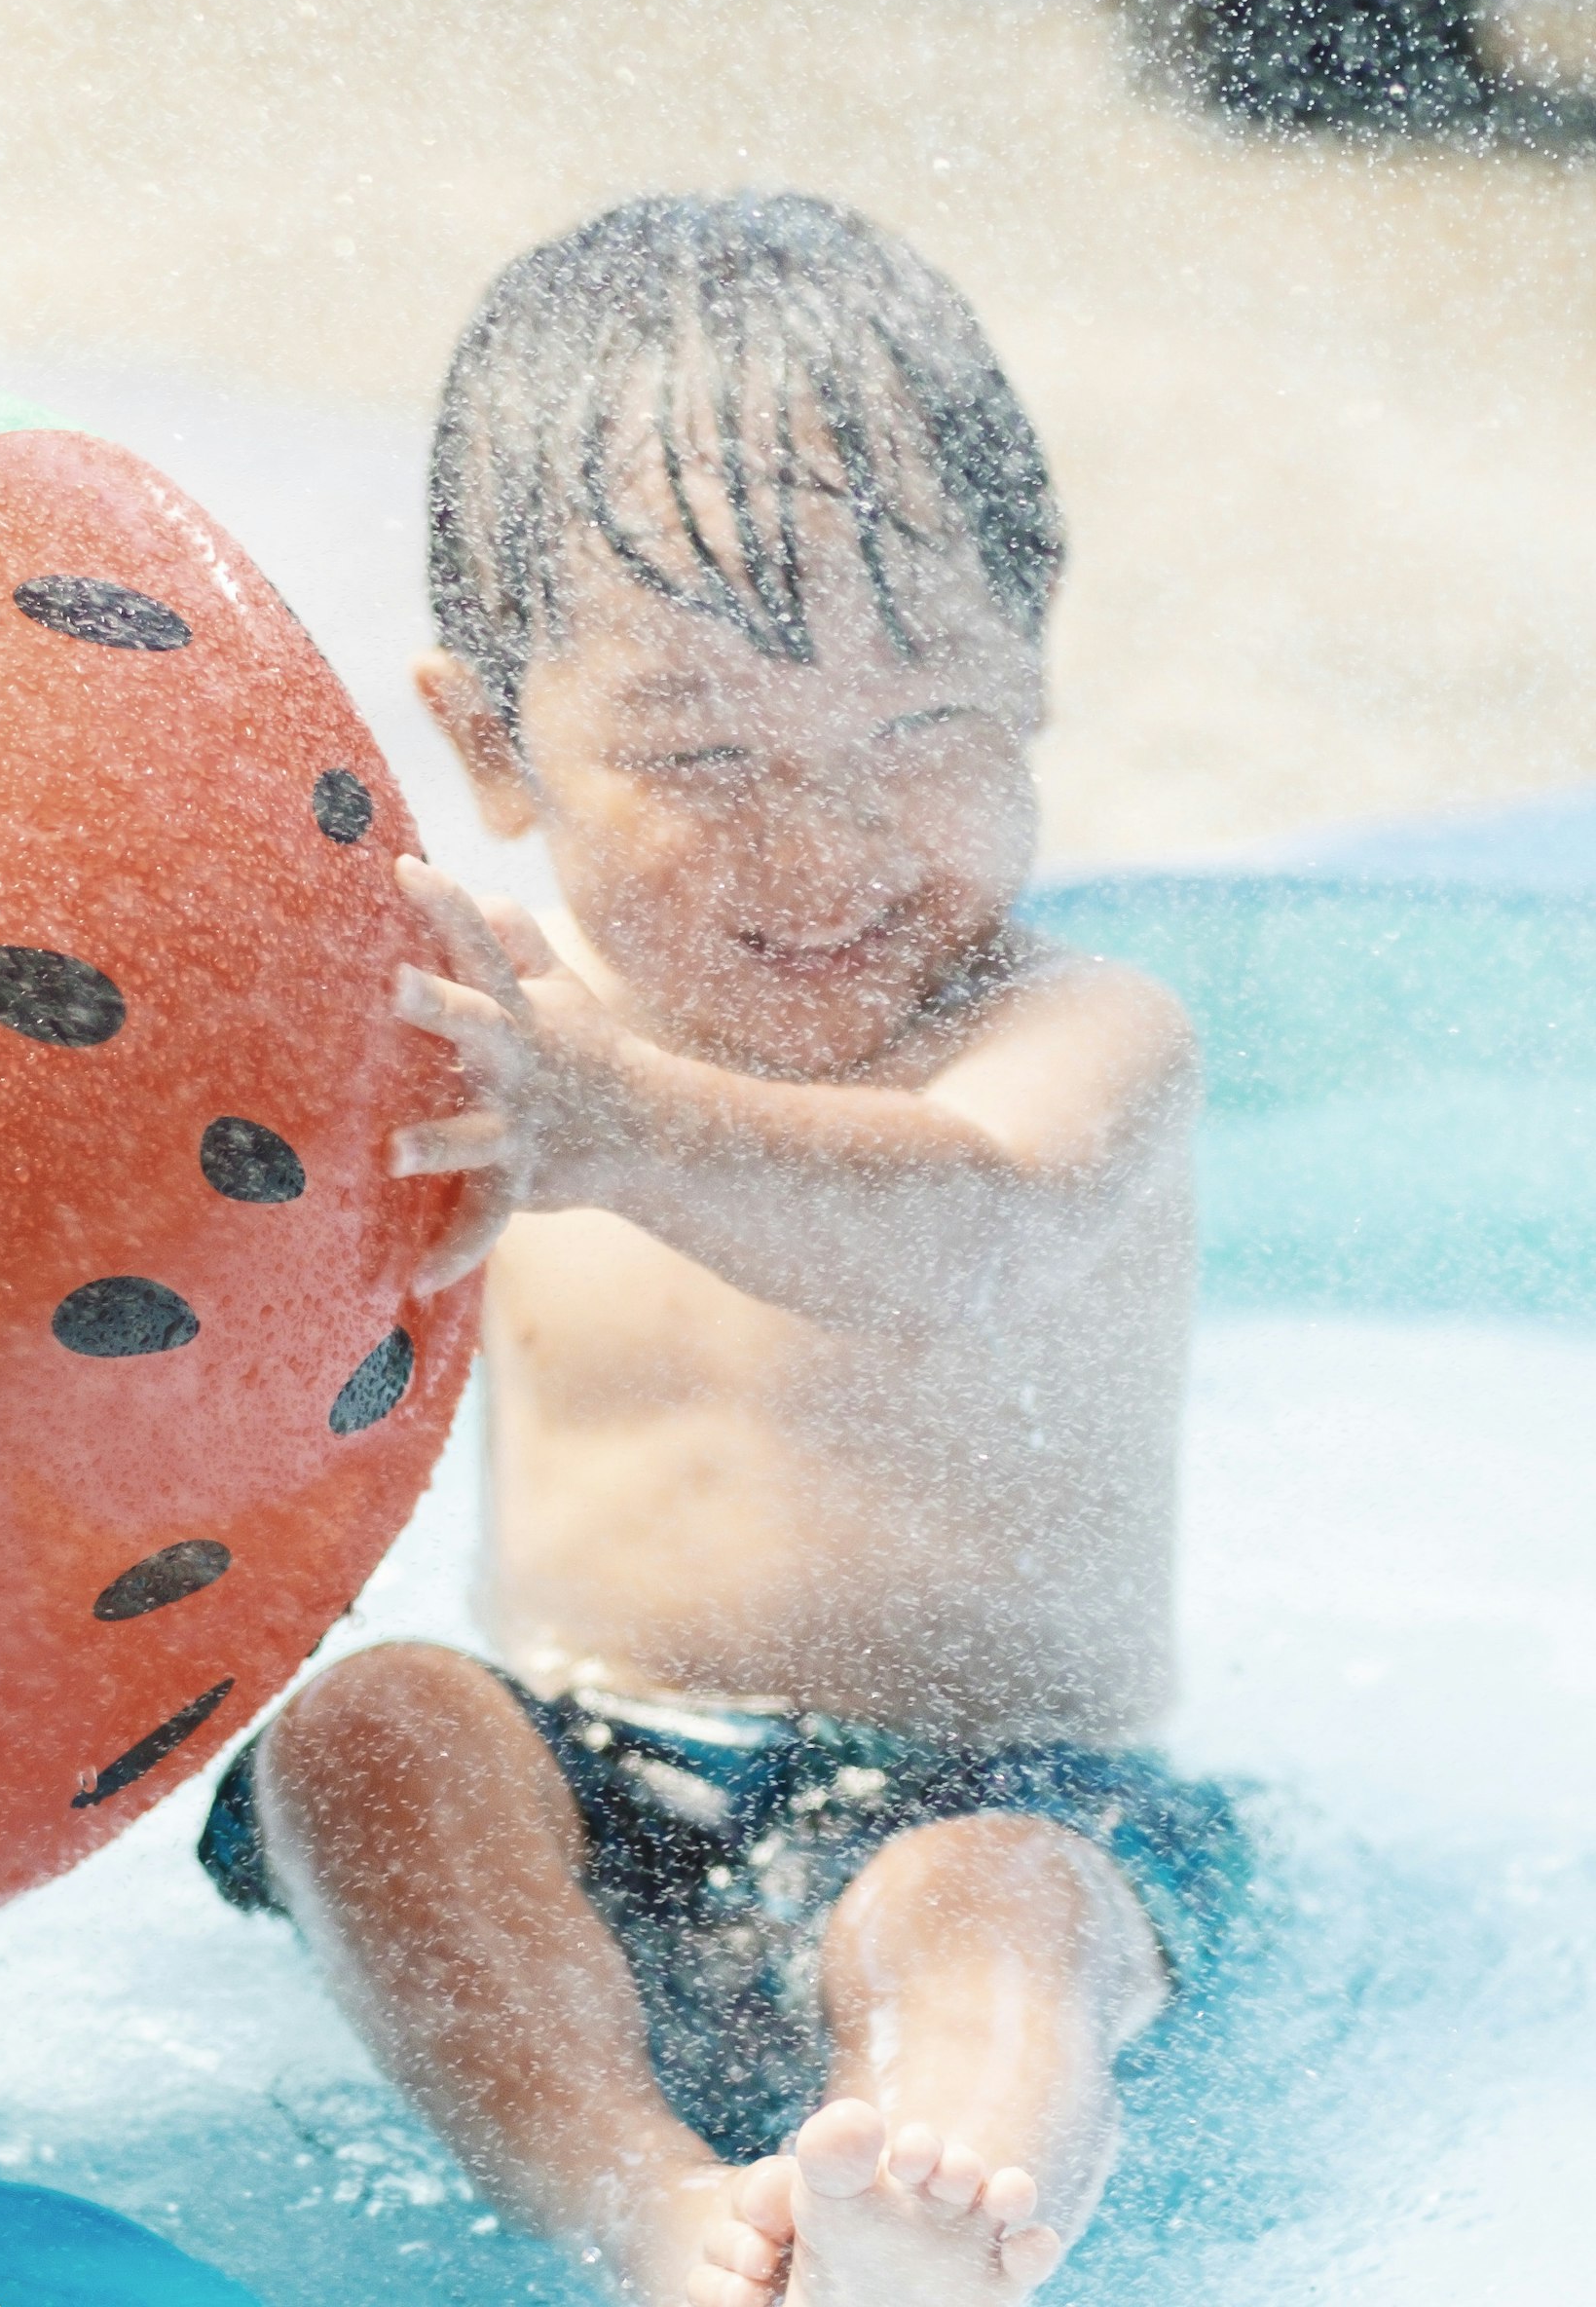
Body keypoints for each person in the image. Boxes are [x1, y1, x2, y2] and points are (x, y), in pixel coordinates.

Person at [194, 192, 1242, 2307]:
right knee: (366, 1730)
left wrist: (623, 1123)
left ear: (1033, 681)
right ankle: (650, 2198)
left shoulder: (1077, 1045)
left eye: (925, 728)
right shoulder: (493, 1041)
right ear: (494, 744)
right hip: (593, 1796)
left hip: (1010, 1793)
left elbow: (967, 1223)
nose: (828, 840)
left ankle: (937, 2235)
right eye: (702, 752)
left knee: (978, 1910)